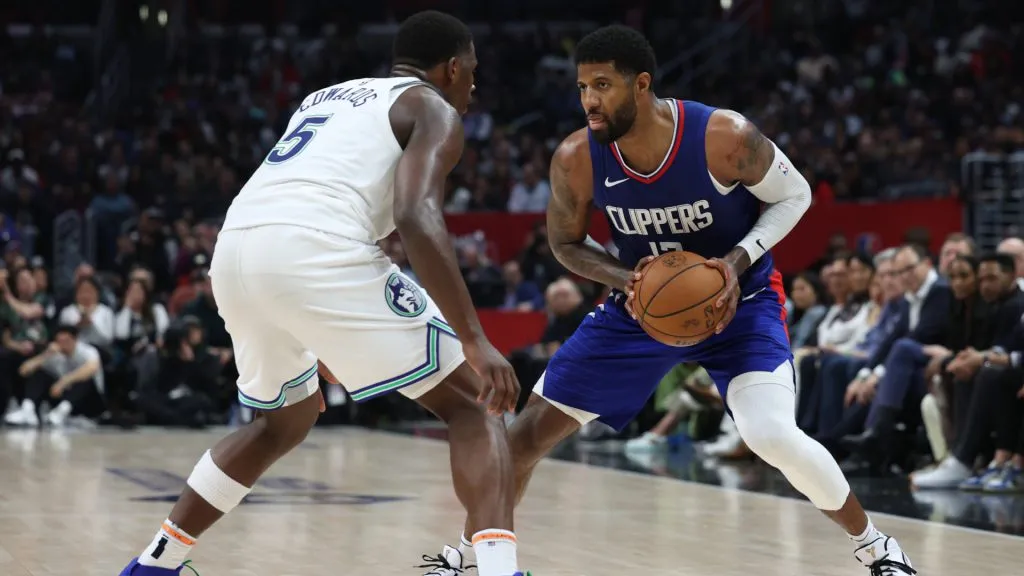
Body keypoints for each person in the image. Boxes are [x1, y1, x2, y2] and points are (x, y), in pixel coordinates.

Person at [425, 25, 914, 576]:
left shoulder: (723, 136)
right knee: (523, 436)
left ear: (641, 85)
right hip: (641, 307)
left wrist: (734, 262)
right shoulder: (576, 159)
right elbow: (564, 242)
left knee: (770, 433)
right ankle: (469, 556)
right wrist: (622, 277)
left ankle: (877, 547)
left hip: (741, 301)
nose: (589, 100)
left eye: (602, 85)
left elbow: (795, 194)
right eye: (583, 87)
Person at [118, 11, 528, 576]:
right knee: (474, 400)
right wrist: (474, 338)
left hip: (235, 250)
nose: (474, 86)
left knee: (278, 423)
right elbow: (415, 213)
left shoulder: (325, 97)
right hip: (311, 247)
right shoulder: (431, 106)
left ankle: (155, 565)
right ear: (453, 67)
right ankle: (500, 571)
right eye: (473, 72)